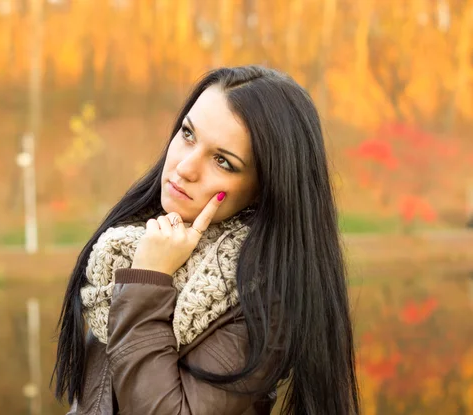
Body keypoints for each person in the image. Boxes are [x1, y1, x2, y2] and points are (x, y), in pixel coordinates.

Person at [52, 65, 360, 414]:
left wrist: (148, 281)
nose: (185, 167)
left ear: (265, 189)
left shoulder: (261, 304)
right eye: (187, 134)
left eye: (223, 161)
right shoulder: (129, 247)